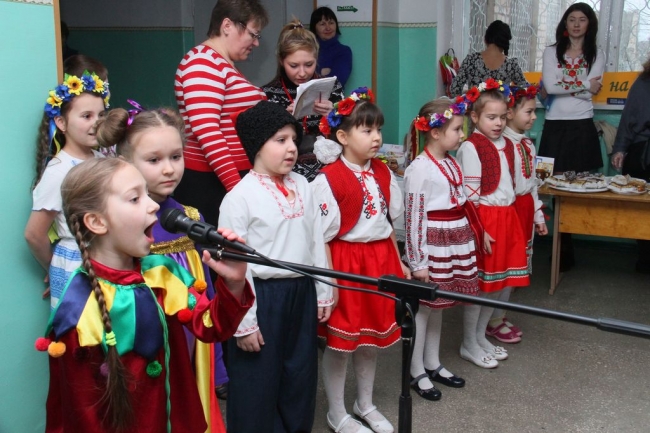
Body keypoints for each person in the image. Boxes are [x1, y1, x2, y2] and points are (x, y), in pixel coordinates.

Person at [37, 157, 254, 433]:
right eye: (135, 199)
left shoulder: (163, 274)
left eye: (147, 195)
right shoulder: (77, 312)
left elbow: (211, 326)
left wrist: (233, 284)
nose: (153, 205)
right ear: (96, 221)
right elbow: (81, 414)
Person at [95, 106, 229, 432]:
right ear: (125, 162)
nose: (169, 169)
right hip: (141, 346)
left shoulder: (191, 218)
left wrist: (217, 360)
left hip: (191, 340)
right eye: (154, 160)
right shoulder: (120, 229)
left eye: (176, 157)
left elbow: (204, 290)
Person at [218, 101, 334, 432]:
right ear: (257, 145)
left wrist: (323, 291)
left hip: (301, 290)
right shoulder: (239, 198)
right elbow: (235, 266)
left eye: (294, 140)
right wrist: (244, 324)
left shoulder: (304, 186)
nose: (291, 148)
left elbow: (315, 240)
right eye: (280, 140)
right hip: (261, 297)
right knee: (257, 382)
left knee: (299, 376)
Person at [312, 88, 410, 433]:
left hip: (380, 260)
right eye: (367, 130)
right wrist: (329, 283)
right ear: (343, 137)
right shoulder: (328, 179)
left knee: (370, 339)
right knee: (341, 343)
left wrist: (398, 262)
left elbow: (387, 223)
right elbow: (322, 238)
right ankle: (337, 412)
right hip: (345, 263)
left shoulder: (383, 172)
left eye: (378, 129)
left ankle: (364, 404)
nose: (377, 137)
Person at [403, 97, 485, 401]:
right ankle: (415, 370)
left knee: (439, 305)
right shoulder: (420, 169)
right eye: (456, 129)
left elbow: (461, 201)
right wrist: (418, 261)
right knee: (425, 308)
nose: (462, 134)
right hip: (434, 245)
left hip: (454, 241)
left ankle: (432, 362)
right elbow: (414, 217)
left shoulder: (451, 162)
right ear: (435, 132)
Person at [174, 0, 269, 228]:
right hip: (212, 182)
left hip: (225, 179)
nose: (256, 43)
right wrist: (237, 189)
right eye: (253, 34)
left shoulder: (221, 63)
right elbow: (208, 132)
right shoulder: (202, 63)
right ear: (227, 25)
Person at [456, 79, 530, 368]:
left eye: (502, 117)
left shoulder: (508, 144)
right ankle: (468, 342)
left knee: (500, 284)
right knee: (482, 287)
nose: (498, 123)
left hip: (507, 216)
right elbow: (470, 197)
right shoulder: (471, 147)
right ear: (474, 117)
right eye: (491, 117)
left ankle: (480, 336)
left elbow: (513, 183)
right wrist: (480, 230)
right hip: (486, 219)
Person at [25, 70, 110, 308]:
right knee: (80, 324)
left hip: (108, 258)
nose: (96, 123)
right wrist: (54, 269)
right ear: (61, 123)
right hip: (76, 264)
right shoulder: (58, 170)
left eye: (101, 115)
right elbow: (34, 234)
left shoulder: (103, 159)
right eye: (86, 116)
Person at [538, 2, 604, 271]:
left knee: (577, 189)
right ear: (565, 23)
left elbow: (591, 93)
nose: (576, 24)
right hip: (554, 126)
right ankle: (559, 247)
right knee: (552, 188)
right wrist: (583, 84)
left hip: (582, 126)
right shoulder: (550, 51)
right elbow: (550, 86)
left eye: (582, 19)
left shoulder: (596, 54)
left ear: (589, 24)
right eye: (572, 19)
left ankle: (568, 248)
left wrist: (565, 85)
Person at [486, 85, 548, 344]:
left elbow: (531, 183)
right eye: (529, 112)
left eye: (535, 112)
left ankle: (498, 316)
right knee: (503, 266)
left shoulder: (526, 143)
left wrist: (538, 215)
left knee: (515, 267)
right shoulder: (503, 145)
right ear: (510, 113)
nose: (534, 117)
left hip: (524, 208)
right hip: (508, 210)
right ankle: (491, 320)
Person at [262, 18, 345, 181]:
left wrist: (334, 114)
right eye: (293, 66)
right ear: (281, 61)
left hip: (329, 175)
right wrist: (282, 121)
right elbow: (263, 145)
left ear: (316, 58)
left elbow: (350, 133)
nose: (302, 73)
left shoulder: (332, 87)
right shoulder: (268, 94)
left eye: (309, 64)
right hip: (286, 176)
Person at [611, 56, 650, 274]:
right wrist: (620, 149)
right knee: (640, 208)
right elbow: (628, 118)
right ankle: (645, 256)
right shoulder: (643, 82)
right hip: (642, 152)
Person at [450, 20, 528, 97]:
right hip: (501, 105)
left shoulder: (471, 60)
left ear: (485, 39)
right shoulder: (511, 64)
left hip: (476, 105)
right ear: (505, 43)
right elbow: (526, 89)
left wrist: (466, 98)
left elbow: (454, 89)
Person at [310, 6, 353, 88]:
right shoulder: (308, 50)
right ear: (314, 28)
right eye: (322, 24)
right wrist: (321, 71)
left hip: (334, 96)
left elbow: (338, 81)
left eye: (331, 23)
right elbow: (302, 79)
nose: (328, 28)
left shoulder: (344, 51)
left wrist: (315, 72)